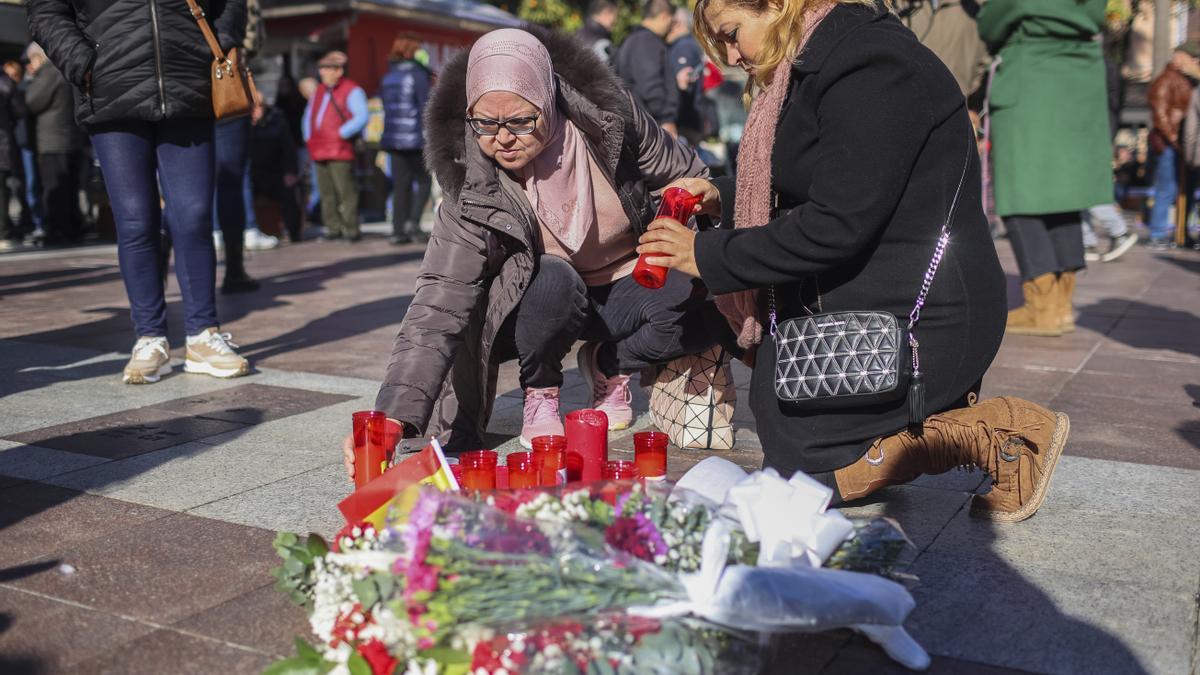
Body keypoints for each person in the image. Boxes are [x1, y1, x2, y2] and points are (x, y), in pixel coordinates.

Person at [637, 0, 1069, 522]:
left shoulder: (871, 65)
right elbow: (816, 181)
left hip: (922, 315)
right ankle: (921, 419)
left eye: (732, 34)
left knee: (802, 477)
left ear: (777, 6)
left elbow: (838, 223)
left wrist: (704, 254)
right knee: (783, 431)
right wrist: (723, 196)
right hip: (864, 294)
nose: (730, 56)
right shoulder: (815, 61)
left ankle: (995, 433)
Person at [340, 26, 719, 477]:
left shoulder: (612, 122)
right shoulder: (470, 182)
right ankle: (541, 391)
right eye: (485, 123)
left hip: (626, 279)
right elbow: (437, 302)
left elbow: (690, 175)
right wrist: (393, 417)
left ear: (547, 101)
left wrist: (691, 216)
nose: (503, 138)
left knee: (710, 310)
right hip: (539, 303)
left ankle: (608, 362)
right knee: (553, 276)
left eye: (521, 121)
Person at [28, 0, 251, 384]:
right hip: (111, 89)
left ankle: (202, 335)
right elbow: (46, 9)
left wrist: (214, 41)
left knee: (195, 216)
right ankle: (150, 338)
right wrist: (82, 62)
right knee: (136, 220)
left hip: (188, 85)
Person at [977, 0, 1111, 337]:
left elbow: (991, 22)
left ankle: (1042, 308)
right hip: (1079, 74)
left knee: (1019, 190)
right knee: (1064, 193)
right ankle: (1061, 305)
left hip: (1031, 71)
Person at [303, 50, 369, 242]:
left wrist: (341, 133)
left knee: (345, 191)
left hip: (339, 148)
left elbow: (362, 116)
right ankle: (332, 228)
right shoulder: (319, 91)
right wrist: (308, 136)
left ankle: (351, 229)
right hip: (318, 147)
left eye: (327, 68)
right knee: (326, 192)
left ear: (338, 70)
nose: (322, 72)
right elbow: (308, 116)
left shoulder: (352, 90)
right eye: (321, 68)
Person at [24, 43, 84, 246]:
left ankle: (58, 231)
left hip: (53, 141)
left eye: (32, 59)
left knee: (55, 189)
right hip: (70, 138)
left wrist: (31, 79)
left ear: (40, 57)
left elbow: (32, 101)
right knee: (70, 189)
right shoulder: (66, 69)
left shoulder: (50, 72)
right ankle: (73, 229)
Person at [379, 35, 433, 245]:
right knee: (424, 181)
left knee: (400, 184)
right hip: (415, 138)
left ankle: (397, 230)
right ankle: (413, 222)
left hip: (393, 138)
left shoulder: (388, 76)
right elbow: (425, 107)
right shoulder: (418, 75)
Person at [1147, 43, 1200, 250]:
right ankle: (1158, 233)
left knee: (1186, 191)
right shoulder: (1166, 80)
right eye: (1192, 58)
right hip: (1171, 145)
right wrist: (1174, 141)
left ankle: (1182, 232)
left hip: (1185, 145)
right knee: (1167, 188)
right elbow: (1160, 115)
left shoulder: (1188, 80)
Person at [616, 0, 681, 136]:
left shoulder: (635, 39)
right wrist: (666, 118)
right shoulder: (646, 41)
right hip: (651, 126)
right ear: (664, 16)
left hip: (643, 124)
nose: (671, 26)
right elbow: (650, 85)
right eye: (671, 21)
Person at [250, 98, 303, 243]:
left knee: (290, 190)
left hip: (275, 173)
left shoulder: (278, 123)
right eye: (252, 107)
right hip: (252, 175)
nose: (256, 111)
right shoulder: (241, 127)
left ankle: (293, 233)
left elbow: (289, 150)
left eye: (259, 107)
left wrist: (290, 172)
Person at [0, 62, 16, 249]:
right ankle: (3, 232)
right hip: (3, 143)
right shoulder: (5, 84)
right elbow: (19, 110)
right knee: (2, 192)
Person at [577, 0, 619, 66]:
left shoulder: (577, 34)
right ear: (607, 12)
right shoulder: (603, 45)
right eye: (616, 16)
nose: (615, 21)